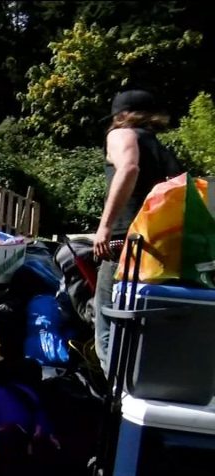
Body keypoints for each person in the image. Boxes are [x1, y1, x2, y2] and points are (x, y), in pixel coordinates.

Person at [94, 89, 182, 374]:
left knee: (108, 321)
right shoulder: (160, 148)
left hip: (127, 240)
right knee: (142, 324)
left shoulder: (122, 135)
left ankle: (116, 401)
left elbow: (128, 168)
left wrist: (105, 226)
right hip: (162, 245)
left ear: (120, 115)